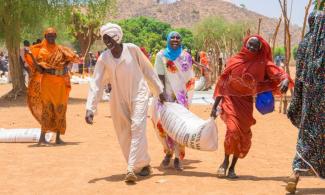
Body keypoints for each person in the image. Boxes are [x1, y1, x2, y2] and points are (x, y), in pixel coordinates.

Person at [85, 23, 165, 183]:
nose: (107, 41)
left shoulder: (132, 49)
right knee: (123, 131)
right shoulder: (104, 58)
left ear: (117, 37)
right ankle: (143, 164)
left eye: (109, 38)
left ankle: (131, 168)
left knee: (137, 127)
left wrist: (159, 90)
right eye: (104, 39)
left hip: (139, 94)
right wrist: (90, 108)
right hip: (118, 97)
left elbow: (148, 70)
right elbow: (97, 82)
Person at [210, 35, 293, 179]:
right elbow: (222, 84)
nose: (252, 48)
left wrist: (285, 79)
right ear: (245, 44)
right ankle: (224, 162)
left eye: (255, 46)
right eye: (250, 45)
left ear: (259, 48)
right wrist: (215, 106)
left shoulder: (263, 62)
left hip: (246, 103)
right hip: (230, 99)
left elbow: (279, 73)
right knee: (232, 130)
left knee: (242, 134)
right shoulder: (234, 60)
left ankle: (232, 168)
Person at [286, 10, 324, 194]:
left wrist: (298, 101)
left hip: (310, 105)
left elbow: (299, 76)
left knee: (306, 138)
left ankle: (295, 175)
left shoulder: (305, 44)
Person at [24, 27, 79, 145]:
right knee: (47, 109)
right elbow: (39, 69)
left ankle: (58, 138)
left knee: (61, 108)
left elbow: (72, 59)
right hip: (48, 83)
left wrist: (67, 62)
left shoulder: (61, 50)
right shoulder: (42, 51)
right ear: (45, 37)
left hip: (60, 84)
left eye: (53, 35)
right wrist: (32, 57)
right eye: (49, 35)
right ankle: (42, 138)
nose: (51, 37)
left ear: (56, 36)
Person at [154, 31, 196, 171]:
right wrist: (161, 94)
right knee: (162, 126)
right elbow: (159, 77)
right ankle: (168, 152)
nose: (175, 39)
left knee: (180, 127)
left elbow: (190, 78)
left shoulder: (186, 56)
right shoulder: (161, 56)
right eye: (172, 37)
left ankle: (178, 157)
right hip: (165, 96)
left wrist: (186, 98)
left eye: (178, 37)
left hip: (182, 97)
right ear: (168, 39)